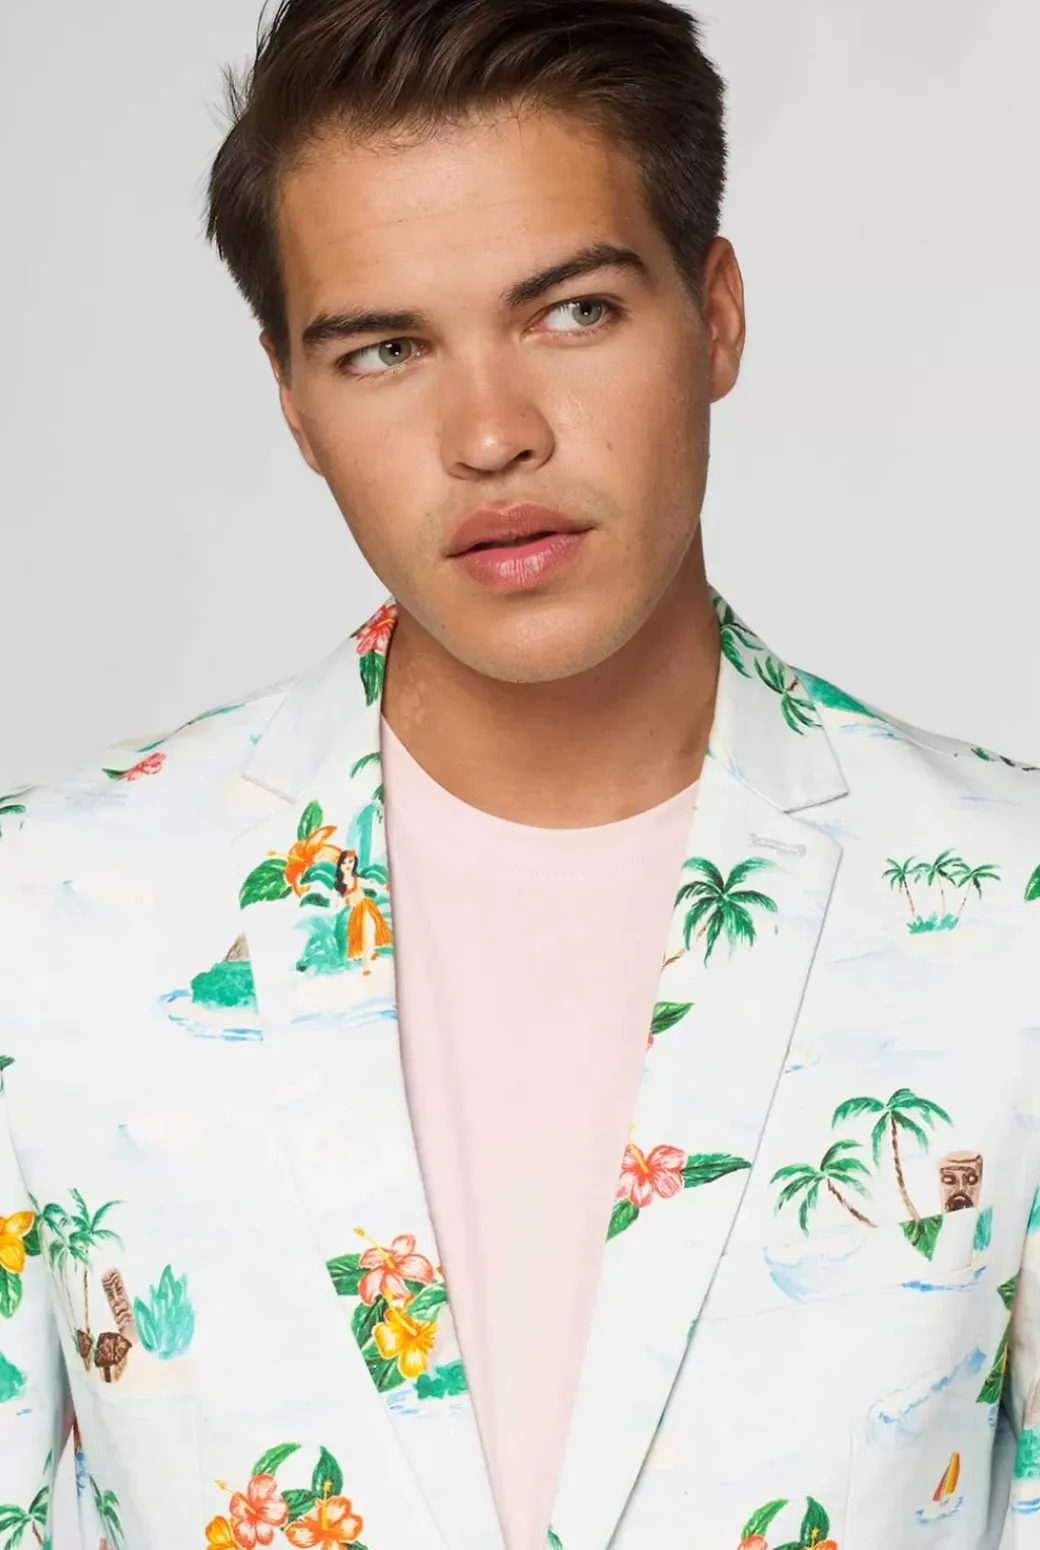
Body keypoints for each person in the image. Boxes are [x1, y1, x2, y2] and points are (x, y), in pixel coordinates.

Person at [1, 0, 1038, 1545]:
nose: (490, 434)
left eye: (572, 312)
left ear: (717, 314)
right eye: (385, 349)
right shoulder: (42, 919)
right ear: (294, 400)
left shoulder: (1012, 911)